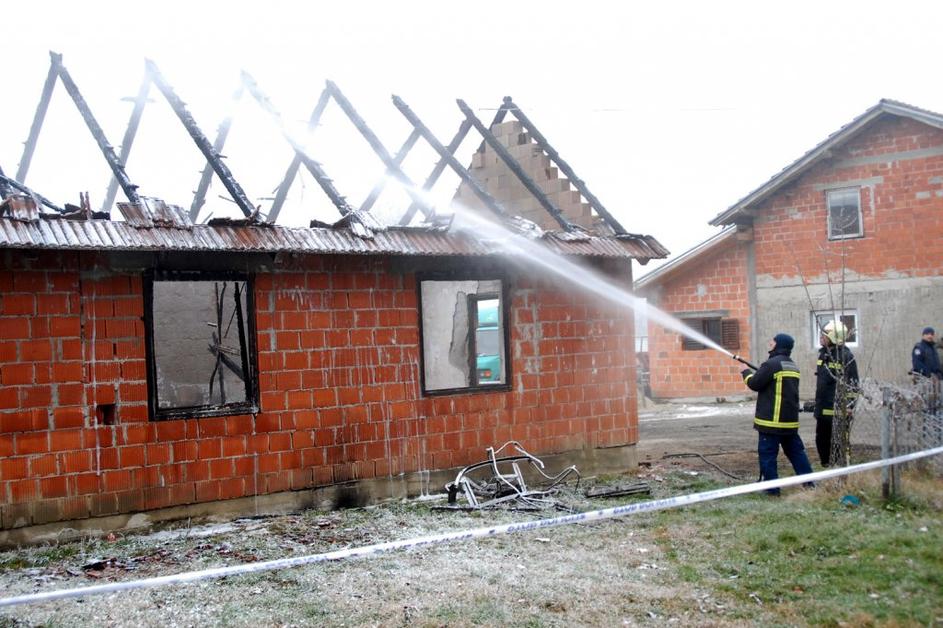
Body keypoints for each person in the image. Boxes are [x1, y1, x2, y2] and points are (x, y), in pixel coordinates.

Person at [741, 333, 814, 495]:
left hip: (771, 423)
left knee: (768, 456)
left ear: (778, 344)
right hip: (789, 423)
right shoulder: (792, 365)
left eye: (772, 341)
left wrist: (745, 372)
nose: (769, 343)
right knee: (797, 453)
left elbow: (754, 384)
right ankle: (809, 484)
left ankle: (772, 490)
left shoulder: (771, 364)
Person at [813, 321, 859, 467]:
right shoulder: (823, 355)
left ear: (834, 337)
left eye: (824, 335)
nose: (821, 337)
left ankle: (840, 467)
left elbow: (853, 384)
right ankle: (827, 466)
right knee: (822, 439)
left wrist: (850, 406)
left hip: (839, 410)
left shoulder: (846, 356)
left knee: (838, 441)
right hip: (823, 408)